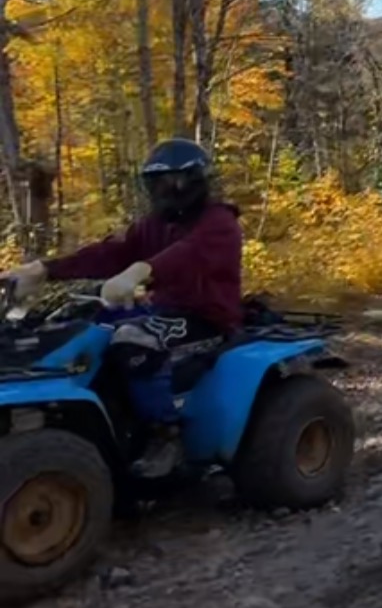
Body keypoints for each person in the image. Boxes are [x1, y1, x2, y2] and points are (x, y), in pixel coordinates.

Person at [8, 140, 243, 470]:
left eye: (172, 181)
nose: (164, 190)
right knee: (76, 325)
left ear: (195, 181)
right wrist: (46, 269)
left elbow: (188, 254)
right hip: (162, 309)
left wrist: (142, 270)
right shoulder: (154, 224)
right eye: (156, 182)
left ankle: (166, 434)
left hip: (205, 317)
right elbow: (111, 252)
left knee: (133, 339)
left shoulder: (219, 222)